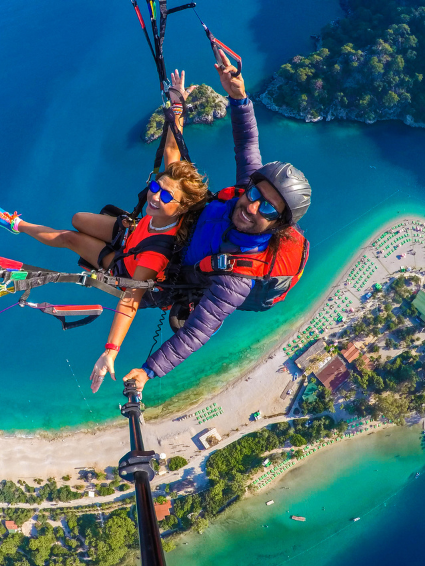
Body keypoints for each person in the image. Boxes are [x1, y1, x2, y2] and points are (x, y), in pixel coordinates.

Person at [0, 71, 211, 393]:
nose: (154, 195)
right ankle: (24, 225)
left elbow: (131, 300)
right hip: (135, 235)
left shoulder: (157, 253)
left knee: (70, 239)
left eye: (164, 196)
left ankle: (16, 224)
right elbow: (173, 150)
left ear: (182, 207)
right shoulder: (164, 204)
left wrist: (110, 351)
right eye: (155, 186)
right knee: (78, 218)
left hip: (126, 267)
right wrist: (177, 106)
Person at [121, 48, 313, 394]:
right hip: (187, 237)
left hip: (179, 276)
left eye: (268, 210)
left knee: (115, 276)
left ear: (279, 226)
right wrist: (238, 95)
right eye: (255, 195)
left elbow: (197, 332)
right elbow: (247, 143)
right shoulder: (246, 192)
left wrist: (148, 372)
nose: (253, 207)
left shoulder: (237, 279)